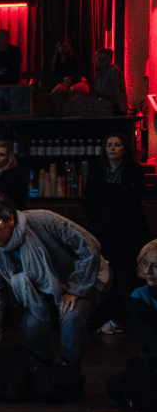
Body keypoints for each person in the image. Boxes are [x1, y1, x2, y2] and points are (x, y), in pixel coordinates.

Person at [0, 192, 110, 367]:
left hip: (86, 278)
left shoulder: (43, 220)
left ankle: (69, 371)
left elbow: (89, 247)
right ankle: (44, 370)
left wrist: (75, 289)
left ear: (10, 219)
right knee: (31, 327)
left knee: (71, 317)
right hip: (45, 295)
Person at [85, 131, 151, 332]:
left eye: (117, 145)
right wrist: (117, 195)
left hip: (130, 230)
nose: (112, 148)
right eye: (109, 145)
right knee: (107, 273)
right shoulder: (97, 170)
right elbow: (90, 198)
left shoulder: (134, 169)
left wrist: (110, 196)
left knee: (134, 273)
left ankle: (141, 317)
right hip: (105, 230)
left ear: (125, 149)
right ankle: (109, 317)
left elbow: (134, 196)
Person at [121, 240, 157, 356]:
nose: (147, 271)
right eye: (145, 263)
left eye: (155, 266)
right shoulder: (138, 297)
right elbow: (150, 342)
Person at [49, 39, 89, 116]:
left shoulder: (75, 57)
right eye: (62, 45)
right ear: (58, 47)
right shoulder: (56, 60)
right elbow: (56, 75)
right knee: (56, 92)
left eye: (66, 46)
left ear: (69, 47)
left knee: (73, 90)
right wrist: (63, 81)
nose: (64, 48)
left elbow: (79, 73)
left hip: (78, 81)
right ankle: (58, 115)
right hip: (65, 83)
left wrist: (71, 79)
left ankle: (67, 113)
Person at [91, 48, 129, 116]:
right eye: (97, 59)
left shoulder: (113, 72)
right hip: (103, 110)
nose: (99, 62)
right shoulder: (97, 75)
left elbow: (118, 93)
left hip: (113, 111)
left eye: (102, 59)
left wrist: (123, 111)